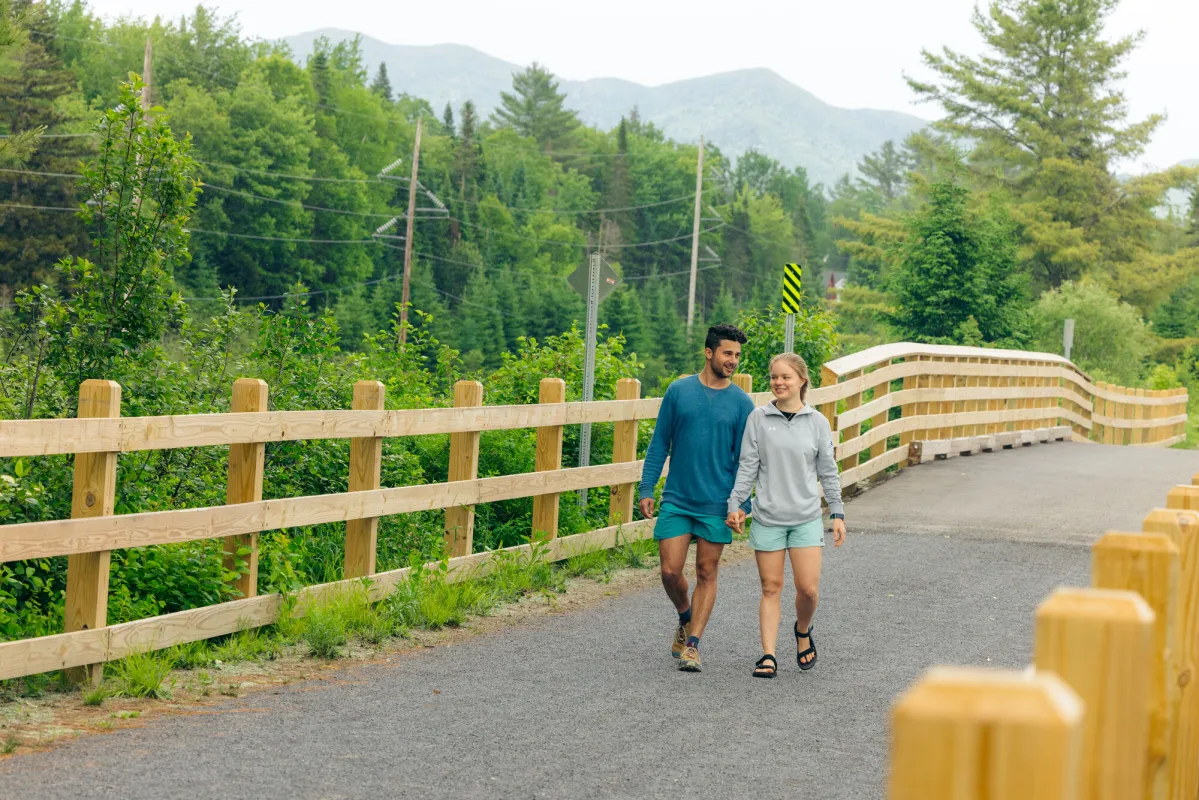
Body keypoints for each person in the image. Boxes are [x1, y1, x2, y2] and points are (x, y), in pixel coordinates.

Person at [638, 324, 755, 673]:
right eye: (727, 353)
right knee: (670, 571)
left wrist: (743, 505)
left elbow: (748, 461)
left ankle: (693, 644)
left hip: (718, 503)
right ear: (709, 353)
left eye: (736, 355)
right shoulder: (679, 392)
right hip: (677, 498)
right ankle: (685, 616)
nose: (733, 360)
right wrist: (647, 488)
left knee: (707, 571)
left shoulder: (742, 403)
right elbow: (660, 443)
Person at [726, 352, 845, 678]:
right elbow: (747, 466)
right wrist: (735, 504)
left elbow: (828, 471)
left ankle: (803, 630)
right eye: (774, 377)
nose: (778, 382)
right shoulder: (758, 419)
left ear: (801, 381)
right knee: (771, 587)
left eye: (785, 377)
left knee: (808, 589)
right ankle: (768, 655)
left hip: (806, 517)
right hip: (768, 517)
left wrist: (837, 512)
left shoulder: (817, 422)